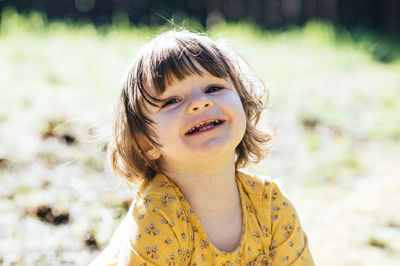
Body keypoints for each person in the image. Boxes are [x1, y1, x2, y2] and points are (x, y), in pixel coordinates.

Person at [91, 29, 314, 265]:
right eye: (172, 101)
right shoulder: (157, 218)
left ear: (244, 106)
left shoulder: (271, 207)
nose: (200, 102)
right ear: (146, 142)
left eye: (213, 88)